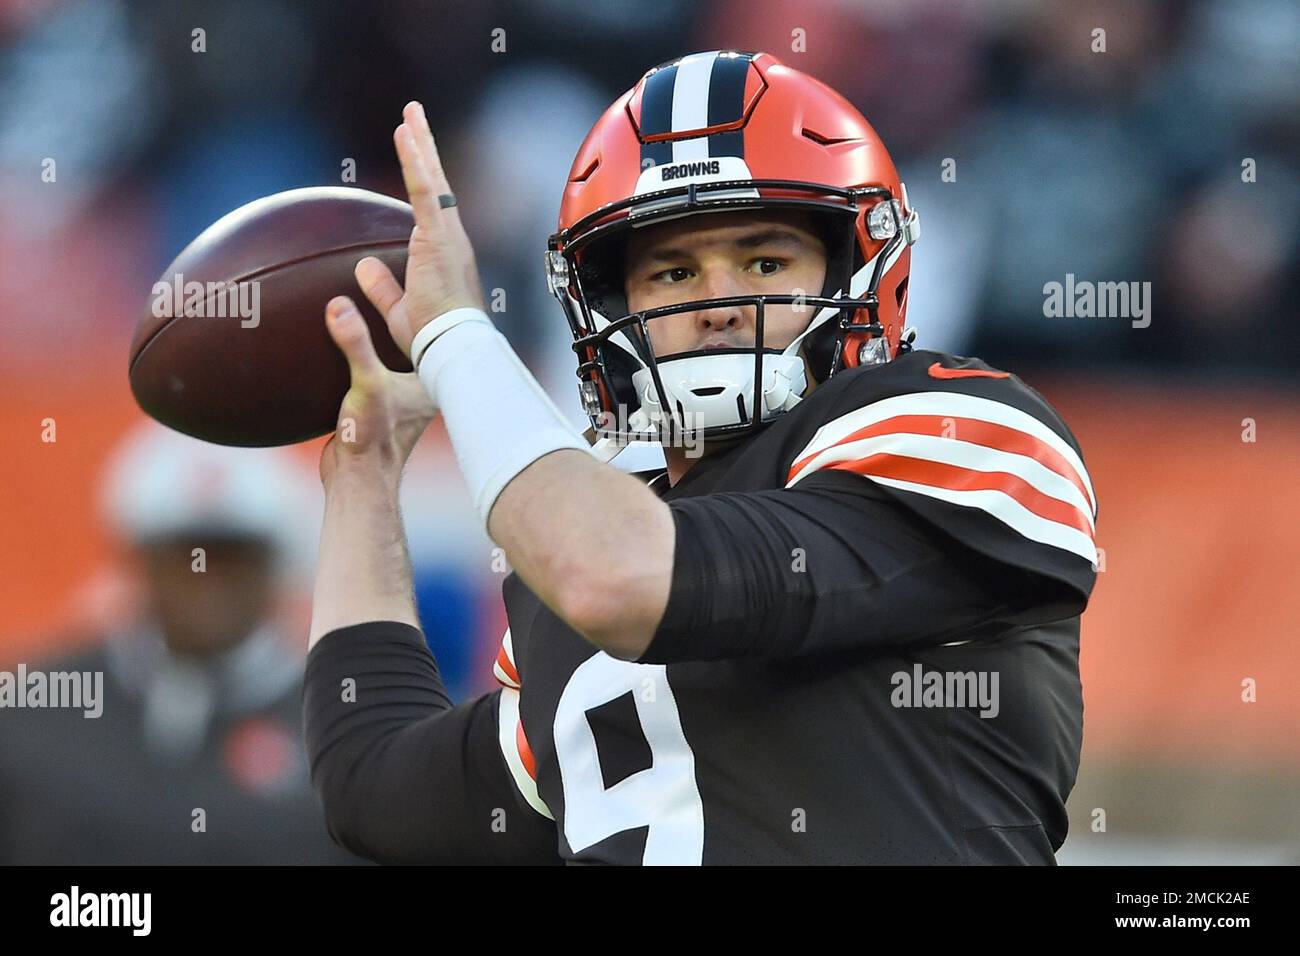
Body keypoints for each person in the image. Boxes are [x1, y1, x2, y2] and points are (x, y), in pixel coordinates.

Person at [302, 50, 1098, 864]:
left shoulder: (952, 424)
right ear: (609, 307)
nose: (718, 305)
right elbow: (372, 783)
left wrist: (457, 337)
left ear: (862, 268)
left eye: (764, 262)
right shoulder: (585, 540)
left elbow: (623, 576)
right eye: (674, 273)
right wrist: (364, 465)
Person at [0, 424, 362, 864]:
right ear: (139, 561)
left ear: (275, 565)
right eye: (183, 553)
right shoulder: (32, 709)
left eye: (232, 556)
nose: (204, 580)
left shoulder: (350, 729)